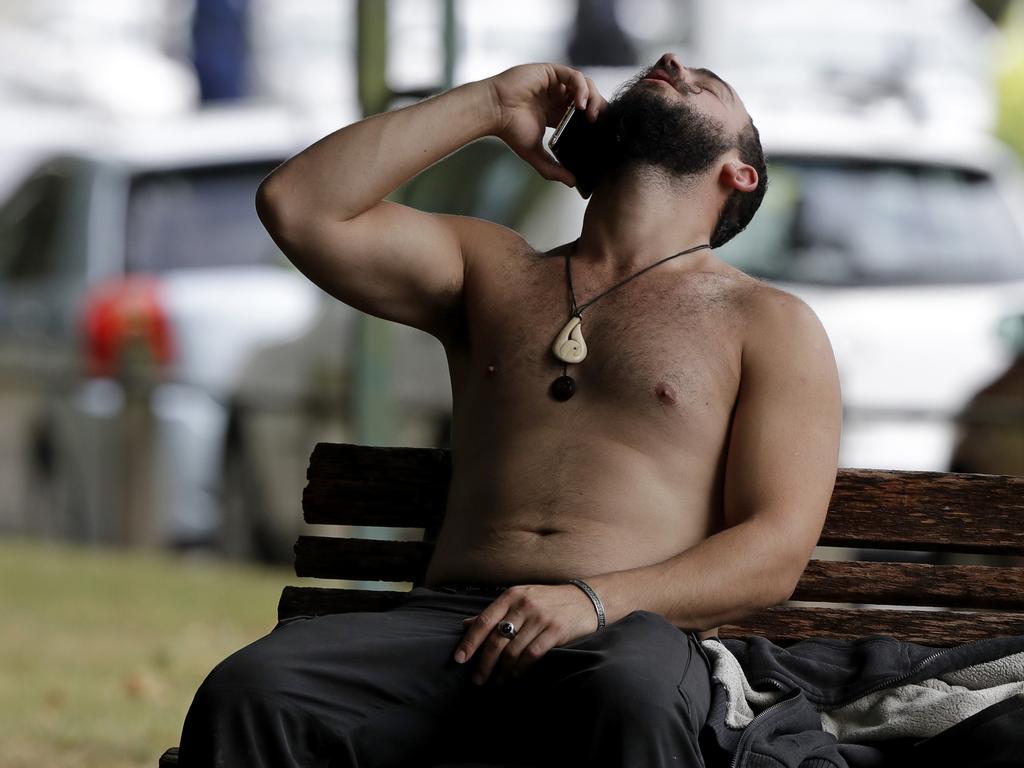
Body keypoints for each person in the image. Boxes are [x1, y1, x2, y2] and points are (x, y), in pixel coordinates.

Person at [177, 53, 843, 767]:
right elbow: (298, 204)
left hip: (632, 633)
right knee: (253, 689)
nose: (672, 61)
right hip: (449, 628)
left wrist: (591, 602)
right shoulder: (492, 270)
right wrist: (491, 105)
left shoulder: (767, 321)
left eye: (707, 86)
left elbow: (774, 550)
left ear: (738, 173)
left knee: (629, 696)